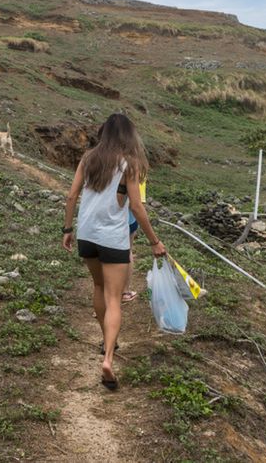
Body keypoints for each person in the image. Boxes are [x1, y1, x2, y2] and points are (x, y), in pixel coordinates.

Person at [61, 113, 166, 390]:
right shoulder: (129, 164)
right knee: (114, 298)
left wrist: (67, 229)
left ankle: (106, 338)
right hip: (112, 238)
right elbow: (136, 207)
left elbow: (71, 195)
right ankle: (108, 358)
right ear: (128, 136)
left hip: (87, 234)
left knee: (98, 287)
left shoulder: (88, 158)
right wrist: (154, 241)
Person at [122, 179, 148, 304]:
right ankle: (125, 292)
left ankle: (103, 296)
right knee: (127, 251)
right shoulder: (136, 167)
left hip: (104, 218)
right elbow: (138, 202)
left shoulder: (107, 163)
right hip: (128, 219)